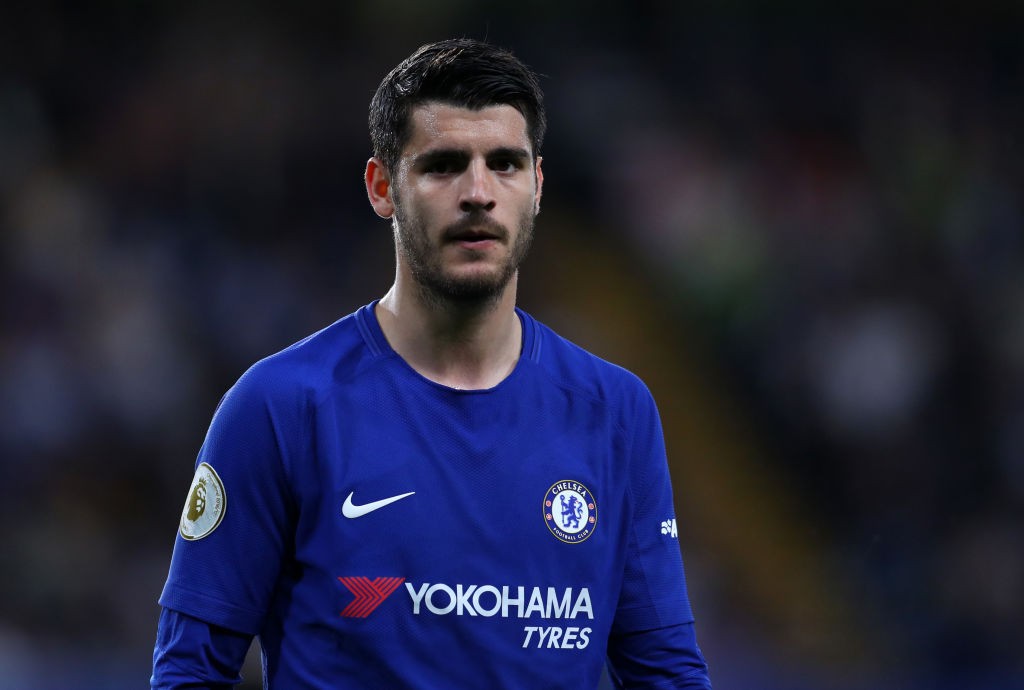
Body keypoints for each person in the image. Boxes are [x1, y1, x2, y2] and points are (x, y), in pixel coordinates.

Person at [151, 38, 713, 689]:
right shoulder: (280, 406)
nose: (478, 192)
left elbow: (666, 672)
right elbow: (189, 670)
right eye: (445, 165)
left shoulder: (615, 410)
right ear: (383, 187)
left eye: (504, 163)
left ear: (536, 186)